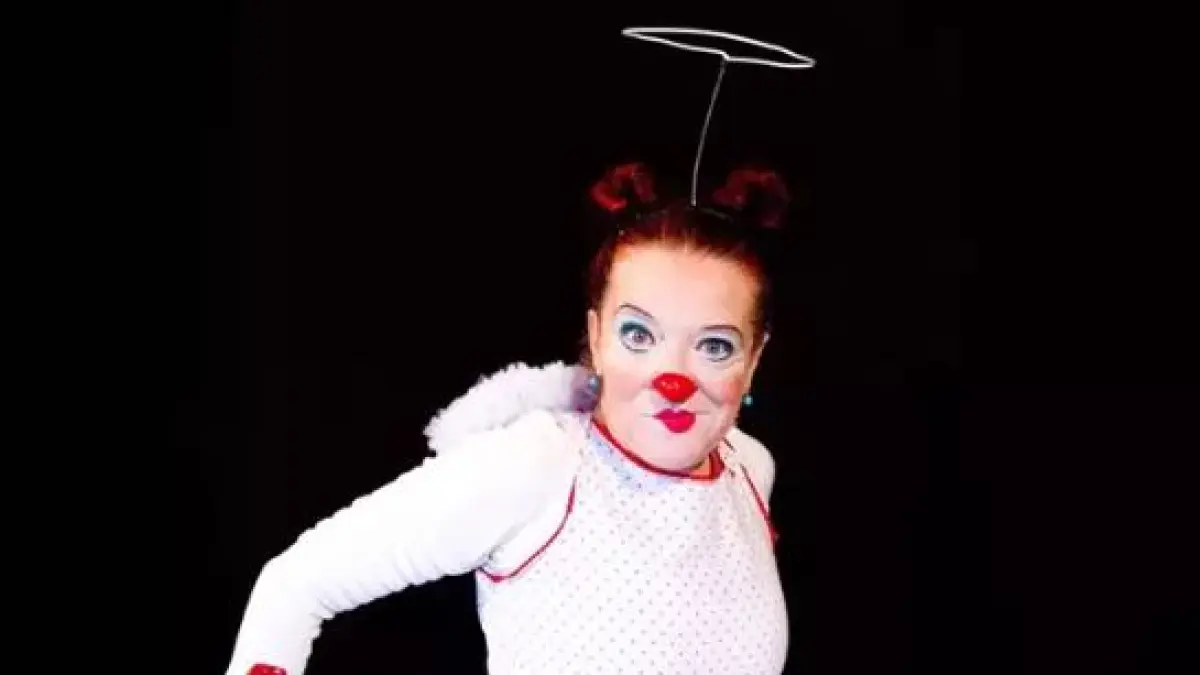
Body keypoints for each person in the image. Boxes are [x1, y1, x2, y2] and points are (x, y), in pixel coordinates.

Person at [224, 160, 795, 675]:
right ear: (597, 336)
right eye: (638, 335)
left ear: (754, 359)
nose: (673, 378)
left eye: (714, 346)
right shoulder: (536, 465)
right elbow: (295, 586)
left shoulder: (750, 469)